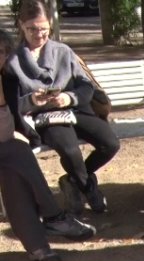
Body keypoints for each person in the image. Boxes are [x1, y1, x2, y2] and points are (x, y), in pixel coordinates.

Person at [8, 0, 120, 215]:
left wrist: (69, 98)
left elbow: (86, 87)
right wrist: (32, 100)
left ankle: (72, 181)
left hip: (74, 109)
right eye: (32, 29)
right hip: (45, 118)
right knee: (70, 150)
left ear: (50, 23)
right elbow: (12, 104)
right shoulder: (13, 61)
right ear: (21, 25)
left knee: (110, 143)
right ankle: (89, 188)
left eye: (43, 29)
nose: (38, 35)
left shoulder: (63, 51)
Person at [0, 27, 95, 261]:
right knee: (17, 154)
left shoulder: (7, 80)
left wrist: (19, 130)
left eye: (2, 51)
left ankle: (38, 247)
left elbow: (11, 117)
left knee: (14, 176)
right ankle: (54, 216)